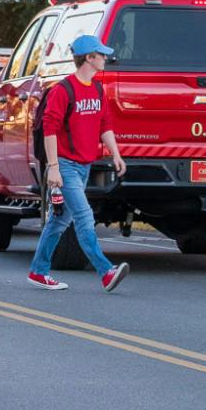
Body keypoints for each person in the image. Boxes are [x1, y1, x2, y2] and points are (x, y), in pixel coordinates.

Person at [27, 35, 131, 292]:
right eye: (101, 54)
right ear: (89, 58)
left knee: (59, 222)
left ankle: (38, 271)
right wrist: (53, 168)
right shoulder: (64, 90)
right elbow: (50, 129)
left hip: (84, 166)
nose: (105, 58)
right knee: (84, 216)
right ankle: (106, 271)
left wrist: (116, 154)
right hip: (65, 165)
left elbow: (104, 124)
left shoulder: (97, 89)